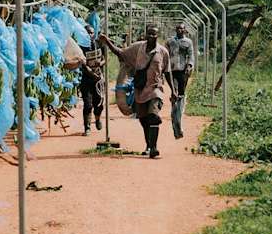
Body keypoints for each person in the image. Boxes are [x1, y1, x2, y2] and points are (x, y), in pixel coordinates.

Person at [99, 25, 176, 158]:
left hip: (155, 89)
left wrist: (174, 91)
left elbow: (167, 72)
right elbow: (121, 53)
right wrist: (107, 42)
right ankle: (148, 145)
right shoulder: (138, 48)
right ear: (146, 35)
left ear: (158, 36)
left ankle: (154, 148)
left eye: (154, 34)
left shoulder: (163, 52)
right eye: (149, 34)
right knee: (144, 120)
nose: (152, 36)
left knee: (153, 116)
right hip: (140, 90)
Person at [166, 23, 194, 139]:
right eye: (178, 28)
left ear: (185, 30)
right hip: (172, 71)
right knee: (175, 94)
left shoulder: (188, 42)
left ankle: (178, 117)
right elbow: (165, 54)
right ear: (175, 29)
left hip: (182, 71)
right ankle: (176, 123)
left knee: (181, 95)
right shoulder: (170, 42)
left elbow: (191, 55)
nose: (180, 30)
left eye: (182, 28)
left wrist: (190, 65)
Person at [79, 25, 105, 136]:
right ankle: (87, 127)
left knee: (98, 103)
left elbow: (104, 58)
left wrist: (101, 63)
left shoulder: (99, 44)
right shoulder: (81, 47)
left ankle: (98, 119)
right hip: (86, 79)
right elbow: (83, 64)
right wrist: (91, 73)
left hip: (98, 79)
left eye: (91, 33)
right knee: (88, 104)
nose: (90, 35)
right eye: (87, 33)